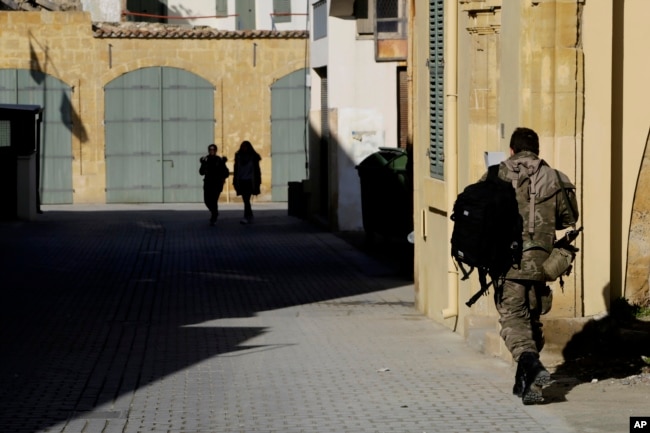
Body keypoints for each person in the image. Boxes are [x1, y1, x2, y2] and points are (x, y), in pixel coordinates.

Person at [489, 127, 579, 405]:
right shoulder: (554, 176)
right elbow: (570, 217)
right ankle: (529, 386)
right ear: (537, 150)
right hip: (543, 261)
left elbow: (482, 214)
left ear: (512, 150)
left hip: (508, 262)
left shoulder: (497, 173)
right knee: (532, 318)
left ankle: (531, 364)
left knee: (514, 319)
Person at [199, 144, 229, 226]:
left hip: (216, 184)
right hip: (208, 183)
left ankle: (214, 217)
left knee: (214, 200)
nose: (212, 151)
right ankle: (214, 212)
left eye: (213, 149)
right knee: (207, 201)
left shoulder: (219, 160)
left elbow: (226, 172)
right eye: (210, 149)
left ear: (216, 150)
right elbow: (201, 172)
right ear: (208, 150)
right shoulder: (206, 159)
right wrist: (202, 164)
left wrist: (223, 164)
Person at [233, 140, 262, 224]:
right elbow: (236, 170)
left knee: (246, 199)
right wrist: (235, 181)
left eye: (245, 146)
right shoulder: (238, 157)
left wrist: (258, 182)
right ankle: (250, 215)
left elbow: (257, 171)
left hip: (250, 181)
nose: (244, 148)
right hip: (241, 181)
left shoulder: (253, 157)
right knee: (246, 200)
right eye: (242, 146)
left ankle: (246, 217)